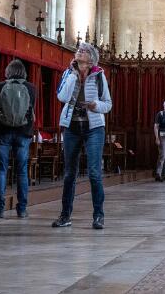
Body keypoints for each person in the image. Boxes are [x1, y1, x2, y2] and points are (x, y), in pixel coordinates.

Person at [52, 42, 113, 229]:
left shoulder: (99, 76)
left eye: (84, 51)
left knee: (94, 173)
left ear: (91, 58)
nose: (80, 52)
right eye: (79, 50)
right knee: (70, 173)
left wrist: (96, 105)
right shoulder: (68, 73)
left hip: (94, 128)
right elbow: (61, 97)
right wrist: (74, 75)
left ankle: (98, 216)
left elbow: (107, 104)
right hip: (71, 127)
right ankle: (65, 216)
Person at [0, 59, 36, 219]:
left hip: (1, 132)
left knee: (1, 170)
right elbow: (31, 109)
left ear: (8, 71)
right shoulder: (31, 88)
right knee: (21, 171)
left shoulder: (0, 86)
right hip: (23, 133)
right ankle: (22, 209)